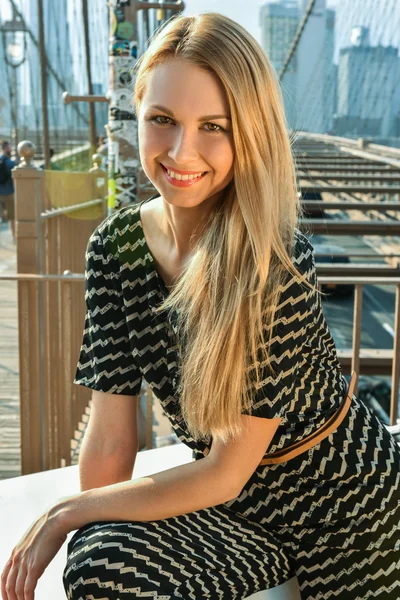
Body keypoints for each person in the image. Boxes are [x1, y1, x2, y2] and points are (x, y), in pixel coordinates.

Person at [1, 13, 400, 600]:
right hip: (230, 508)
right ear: (137, 117)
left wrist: (66, 512)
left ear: (249, 134)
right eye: (162, 120)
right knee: (98, 562)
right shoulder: (116, 249)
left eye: (213, 125)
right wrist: (87, 522)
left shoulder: (277, 261)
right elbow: (112, 437)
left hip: (342, 499)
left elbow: (225, 469)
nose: (182, 151)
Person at [0, 141, 17, 241]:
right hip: (9, 192)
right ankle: (14, 236)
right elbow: (14, 179)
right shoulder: (11, 163)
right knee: (12, 217)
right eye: (10, 147)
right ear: (7, 149)